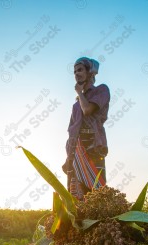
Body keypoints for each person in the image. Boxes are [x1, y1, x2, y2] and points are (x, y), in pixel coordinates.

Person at [62, 57, 110, 200]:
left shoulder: (102, 90)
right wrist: (68, 157)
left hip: (93, 147)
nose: (76, 73)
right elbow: (71, 130)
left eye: (80, 69)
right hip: (75, 152)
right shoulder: (76, 105)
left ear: (90, 72)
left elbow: (88, 109)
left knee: (96, 194)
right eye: (75, 71)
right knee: (74, 197)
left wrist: (79, 93)